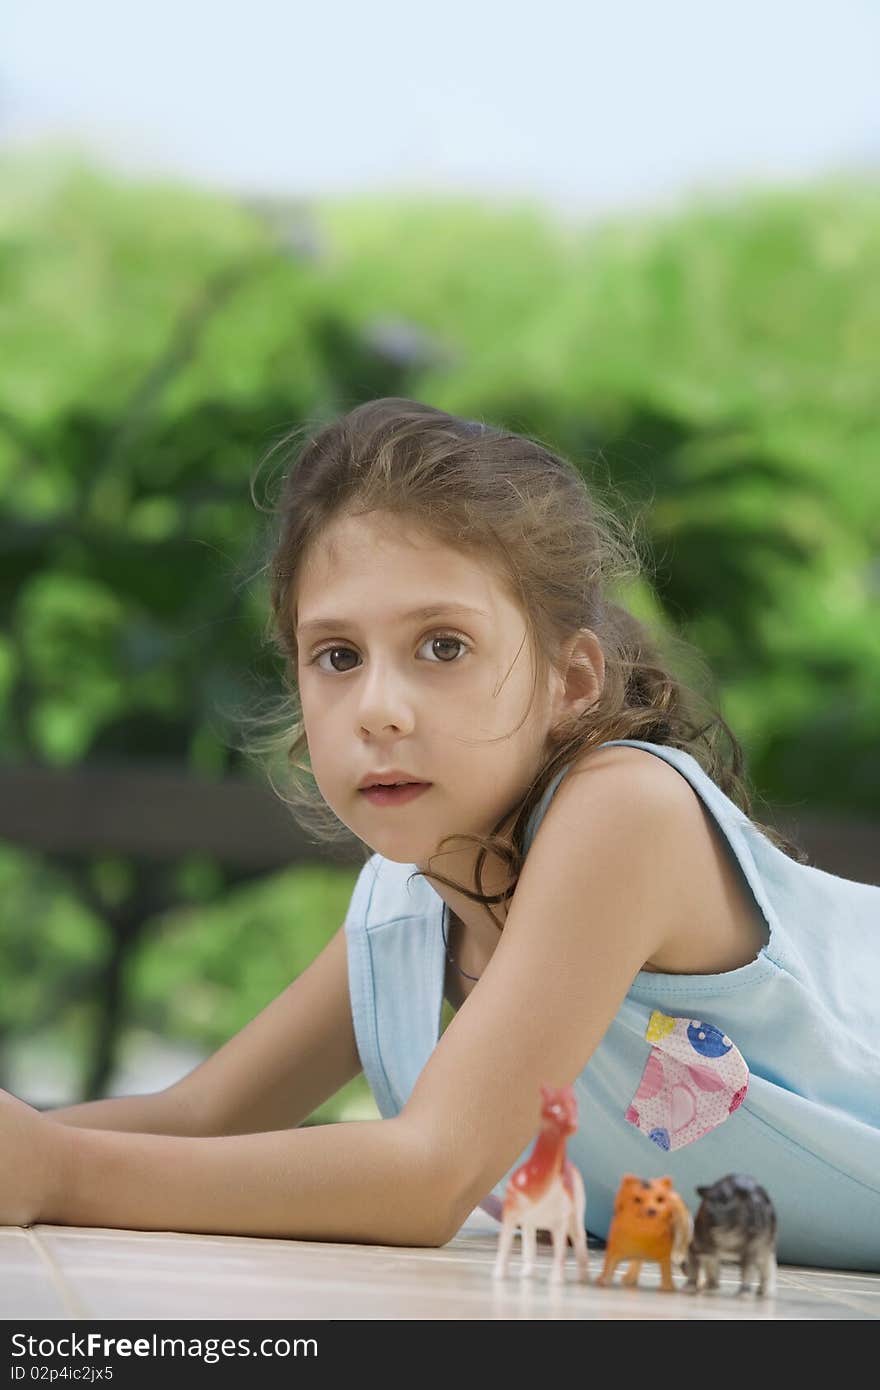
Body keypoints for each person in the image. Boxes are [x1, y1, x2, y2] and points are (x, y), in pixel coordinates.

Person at [2, 399, 878, 1270]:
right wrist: (30, 1149)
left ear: (571, 680)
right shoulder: (407, 901)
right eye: (337, 656)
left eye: (443, 646)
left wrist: (58, 1171)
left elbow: (428, 1175)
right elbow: (197, 1117)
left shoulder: (624, 810)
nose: (377, 710)